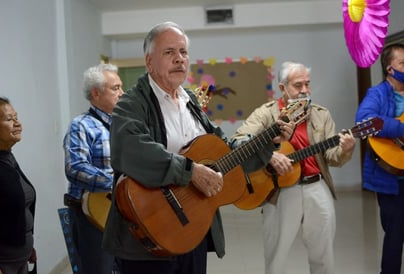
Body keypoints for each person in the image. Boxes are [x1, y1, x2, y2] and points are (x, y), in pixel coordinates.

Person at [102, 21, 294, 274]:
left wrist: (265, 141)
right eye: (169, 52)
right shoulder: (131, 103)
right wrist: (191, 171)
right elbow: (131, 148)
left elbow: (222, 149)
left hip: (192, 229)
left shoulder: (189, 100)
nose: (179, 59)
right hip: (148, 234)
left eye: (183, 52)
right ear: (149, 62)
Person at [231, 61, 356, 274]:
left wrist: (346, 150)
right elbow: (238, 140)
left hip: (317, 186)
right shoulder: (265, 113)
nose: (305, 90)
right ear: (282, 88)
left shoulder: (321, 114)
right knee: (276, 255)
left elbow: (332, 157)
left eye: (308, 84)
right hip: (280, 190)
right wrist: (269, 156)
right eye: (298, 85)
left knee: (323, 255)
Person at [63, 63, 123, 274]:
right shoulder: (81, 125)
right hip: (90, 215)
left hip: (123, 213)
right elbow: (75, 168)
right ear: (96, 93)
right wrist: (118, 181)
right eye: (115, 88)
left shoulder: (124, 124)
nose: (122, 93)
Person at [355, 43, 404, 274]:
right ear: (389, 69)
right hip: (390, 176)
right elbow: (365, 121)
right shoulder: (378, 93)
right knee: (395, 234)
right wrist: (400, 128)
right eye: (403, 63)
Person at [0, 97, 37, 274]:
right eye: (9, 119)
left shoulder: (7, 157)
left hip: (21, 256)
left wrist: (29, 244)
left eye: (16, 118)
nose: (18, 124)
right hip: (2, 262)